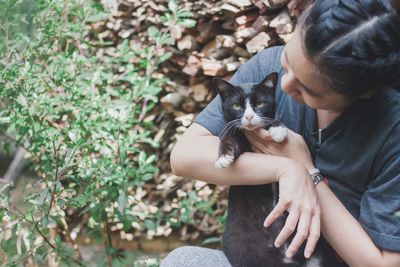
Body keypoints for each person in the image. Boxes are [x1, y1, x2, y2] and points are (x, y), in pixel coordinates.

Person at [162, 0, 400, 266]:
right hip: (257, 255)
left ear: (362, 93)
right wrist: (286, 168)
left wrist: (309, 172)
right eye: (287, 64)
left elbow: (383, 263)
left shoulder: (392, 128)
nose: (285, 87)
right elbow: (184, 156)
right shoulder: (266, 64)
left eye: (308, 90)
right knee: (185, 260)